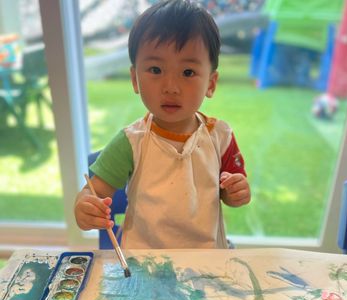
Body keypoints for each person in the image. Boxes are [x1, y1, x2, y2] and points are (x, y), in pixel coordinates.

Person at [74, 0, 251, 249]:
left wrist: (237, 192)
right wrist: (85, 207)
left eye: (188, 72)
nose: (170, 87)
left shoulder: (220, 137)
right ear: (135, 79)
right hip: (145, 266)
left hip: (207, 265)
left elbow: (232, 193)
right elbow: (94, 191)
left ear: (210, 83)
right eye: (155, 69)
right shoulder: (130, 142)